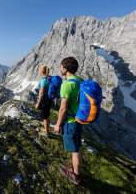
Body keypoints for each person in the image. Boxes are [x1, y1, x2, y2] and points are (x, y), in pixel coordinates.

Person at [54, 57, 84, 185]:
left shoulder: (66, 85)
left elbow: (63, 109)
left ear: (65, 68)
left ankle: (76, 176)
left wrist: (58, 124)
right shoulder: (80, 81)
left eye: (61, 66)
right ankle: (75, 169)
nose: (60, 68)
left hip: (71, 121)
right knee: (76, 147)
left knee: (75, 151)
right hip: (79, 119)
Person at [35, 65, 52, 136]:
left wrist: (38, 103)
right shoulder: (49, 78)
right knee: (47, 115)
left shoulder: (44, 80)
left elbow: (41, 93)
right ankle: (47, 130)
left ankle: (46, 133)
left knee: (44, 117)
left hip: (44, 101)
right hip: (49, 99)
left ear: (42, 71)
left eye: (39, 70)